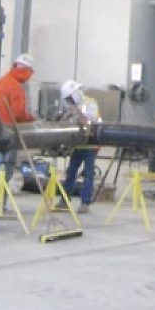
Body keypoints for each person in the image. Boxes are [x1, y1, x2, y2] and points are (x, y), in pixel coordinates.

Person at [0, 54, 36, 178]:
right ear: (26, 71)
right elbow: (18, 113)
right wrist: (30, 119)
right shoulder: (16, 87)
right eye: (30, 73)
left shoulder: (0, 82)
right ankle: (4, 183)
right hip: (7, 132)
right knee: (6, 167)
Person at [58, 80, 101, 213]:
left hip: (91, 145)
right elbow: (65, 123)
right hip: (78, 144)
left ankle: (85, 203)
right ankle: (64, 200)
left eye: (70, 98)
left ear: (75, 94)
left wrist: (78, 113)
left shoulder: (90, 103)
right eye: (67, 100)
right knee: (71, 172)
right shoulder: (73, 108)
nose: (69, 102)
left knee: (88, 174)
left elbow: (90, 123)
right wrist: (66, 116)